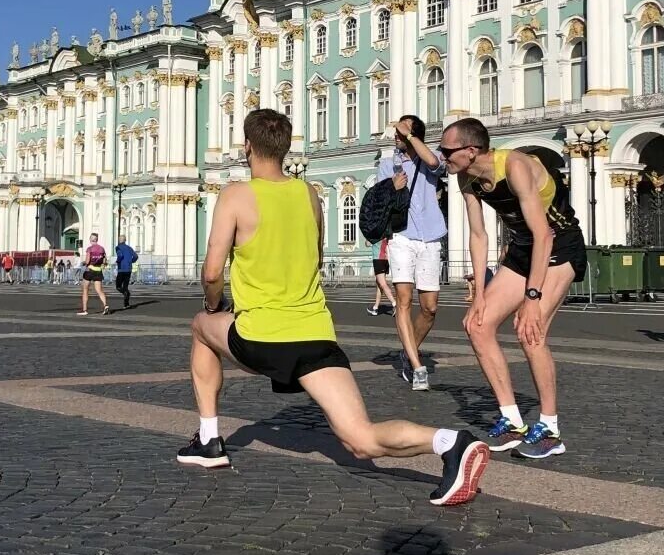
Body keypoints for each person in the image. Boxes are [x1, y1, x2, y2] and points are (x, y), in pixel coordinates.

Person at [178, 108, 490, 506]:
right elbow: (316, 258)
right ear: (287, 148)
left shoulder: (235, 195)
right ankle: (450, 442)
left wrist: (214, 303)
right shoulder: (310, 194)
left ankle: (208, 440)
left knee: (202, 326)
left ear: (247, 147)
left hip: (262, 335)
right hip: (316, 335)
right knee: (361, 438)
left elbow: (211, 272)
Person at [439, 118, 583, 458]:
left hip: (559, 246)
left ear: (471, 151)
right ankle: (512, 420)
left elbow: (543, 235)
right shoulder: (465, 177)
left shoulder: (516, 165)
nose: (441, 156)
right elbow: (478, 235)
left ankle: (550, 428)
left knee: (529, 330)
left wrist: (532, 299)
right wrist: (478, 291)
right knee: (476, 324)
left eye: (446, 150)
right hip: (522, 250)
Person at [376, 115, 447, 391]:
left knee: (429, 308)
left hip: (429, 238)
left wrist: (411, 137)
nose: (396, 135)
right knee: (403, 300)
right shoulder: (387, 164)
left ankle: (409, 351)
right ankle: (417, 367)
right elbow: (379, 199)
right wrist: (391, 188)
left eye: (402, 132)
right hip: (401, 237)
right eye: (397, 132)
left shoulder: (431, 158)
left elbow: (434, 163)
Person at [79, 233, 112, 316]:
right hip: (98, 271)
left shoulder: (89, 249)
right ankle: (105, 305)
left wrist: (83, 262)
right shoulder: (102, 249)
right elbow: (104, 261)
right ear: (97, 239)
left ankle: (85, 310)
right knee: (99, 290)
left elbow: (87, 261)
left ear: (90, 240)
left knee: (85, 290)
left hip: (89, 270)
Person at [368, 238, 394, 317]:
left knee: (382, 284)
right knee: (379, 285)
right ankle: (375, 308)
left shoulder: (375, 233)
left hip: (378, 259)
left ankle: (395, 304)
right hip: (385, 260)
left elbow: (367, 243)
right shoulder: (386, 232)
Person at [113, 235, 138, 309]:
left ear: (119, 240)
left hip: (121, 269)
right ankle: (126, 304)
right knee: (125, 286)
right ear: (125, 240)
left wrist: (117, 261)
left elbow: (120, 255)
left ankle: (126, 293)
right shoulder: (129, 248)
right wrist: (131, 261)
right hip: (129, 269)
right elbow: (136, 256)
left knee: (118, 286)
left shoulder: (118, 247)